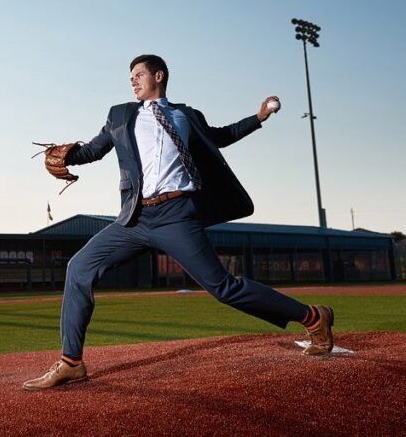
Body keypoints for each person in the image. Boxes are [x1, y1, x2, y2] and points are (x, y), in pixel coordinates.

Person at [22, 54, 334, 391]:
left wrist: (258, 117)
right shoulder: (120, 115)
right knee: (79, 267)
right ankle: (71, 362)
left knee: (223, 288)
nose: (133, 80)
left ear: (158, 76)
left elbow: (221, 136)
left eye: (139, 74)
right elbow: (93, 151)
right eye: (130, 77)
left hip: (176, 215)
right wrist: (65, 156)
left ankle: (312, 317)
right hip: (135, 218)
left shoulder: (186, 115)